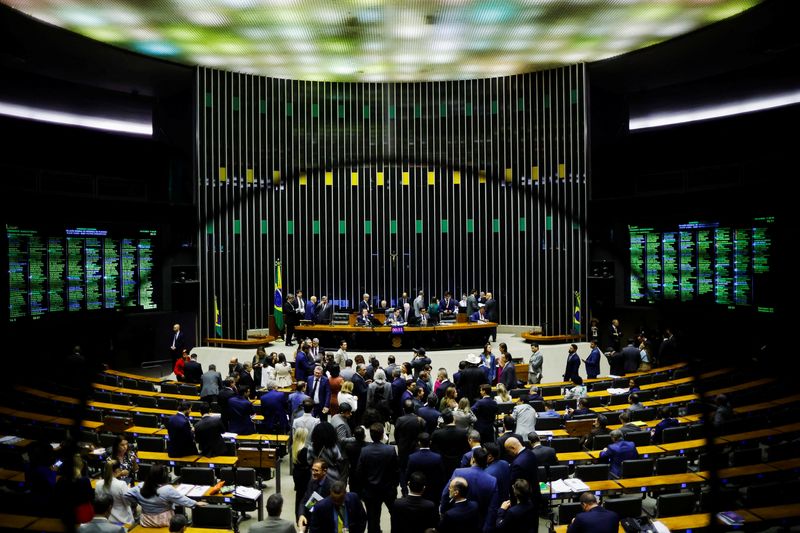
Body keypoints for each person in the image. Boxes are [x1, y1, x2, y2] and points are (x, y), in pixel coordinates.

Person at [125, 465, 206, 527]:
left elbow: (126, 495)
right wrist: (195, 503)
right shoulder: (167, 489)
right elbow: (182, 499)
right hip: (164, 521)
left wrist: (139, 501)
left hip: (146, 521)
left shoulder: (140, 487)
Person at [358, 423, 400, 533]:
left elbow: (360, 472)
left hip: (370, 490)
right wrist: (394, 485)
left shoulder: (364, 451)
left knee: (372, 519)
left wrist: (364, 488)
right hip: (388, 489)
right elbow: (396, 470)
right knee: (394, 515)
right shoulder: (390, 450)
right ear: (382, 435)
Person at [94, 459, 134, 526]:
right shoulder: (122, 484)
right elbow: (128, 503)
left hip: (105, 521)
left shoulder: (98, 484)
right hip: (122, 521)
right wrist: (129, 490)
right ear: (117, 470)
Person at [298, 459, 332, 528]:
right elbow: (304, 501)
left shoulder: (330, 487)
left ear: (324, 471)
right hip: (311, 521)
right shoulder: (311, 482)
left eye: (316, 470)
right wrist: (301, 514)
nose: (313, 473)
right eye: (312, 469)